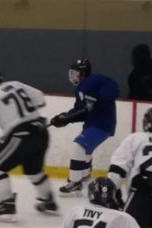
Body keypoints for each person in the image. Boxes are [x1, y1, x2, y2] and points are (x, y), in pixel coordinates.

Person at [0, 66, 56, 221]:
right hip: (41, 132)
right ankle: (48, 200)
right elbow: (40, 98)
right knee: (34, 171)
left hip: (21, 136)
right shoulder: (16, 84)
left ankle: (6, 205)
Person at [50, 59, 120, 197]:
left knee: (79, 146)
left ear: (83, 73)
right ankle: (85, 177)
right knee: (85, 150)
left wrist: (100, 99)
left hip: (102, 124)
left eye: (75, 73)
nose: (72, 76)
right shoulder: (80, 88)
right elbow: (81, 111)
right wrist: (65, 118)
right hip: (92, 124)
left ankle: (75, 182)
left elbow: (114, 88)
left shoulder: (95, 80)